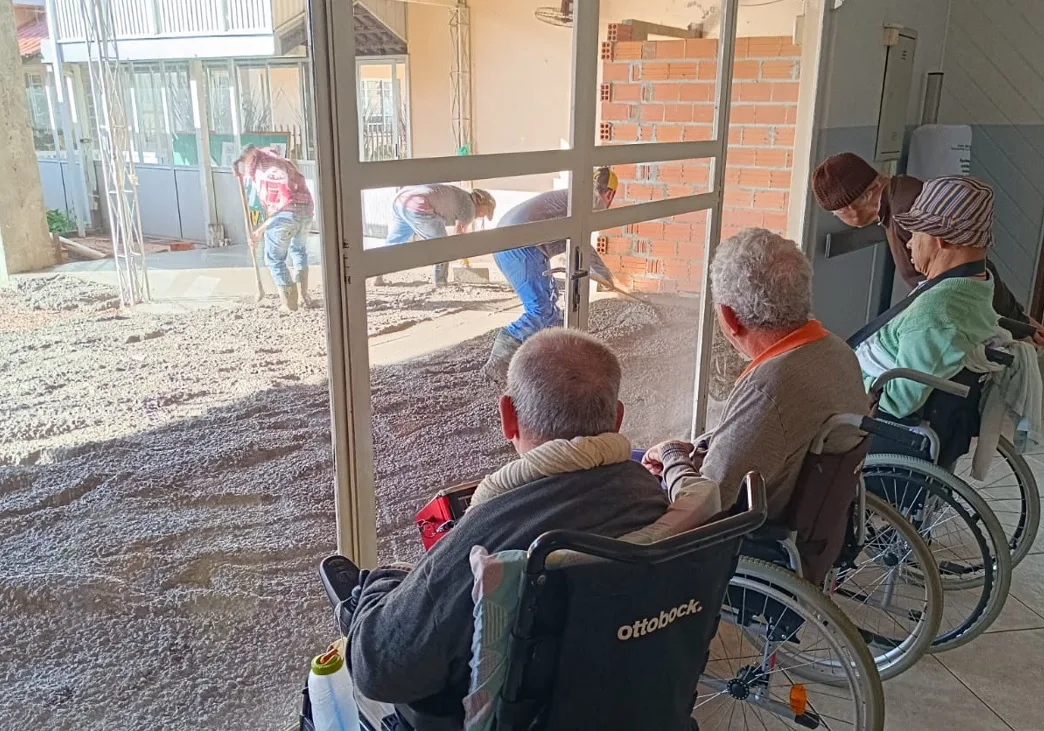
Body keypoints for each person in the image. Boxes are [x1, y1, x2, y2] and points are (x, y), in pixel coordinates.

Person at [338, 328, 716, 730]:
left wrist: (382, 582)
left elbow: (378, 667)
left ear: (508, 417)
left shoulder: (486, 537)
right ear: (617, 419)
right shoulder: (651, 497)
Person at [643, 228, 868, 520]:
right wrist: (700, 449)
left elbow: (704, 505)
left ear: (729, 317)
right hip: (815, 518)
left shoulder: (768, 389)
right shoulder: (836, 350)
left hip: (747, 534)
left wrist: (673, 454)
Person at [812, 152, 1042, 341]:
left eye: (838, 211)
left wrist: (1019, 324)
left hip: (968, 317)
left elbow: (971, 268)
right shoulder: (896, 197)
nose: (838, 217)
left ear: (866, 195)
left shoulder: (906, 207)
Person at [853, 176, 1002, 424]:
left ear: (941, 238)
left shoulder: (938, 314)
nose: (909, 243)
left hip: (855, 407)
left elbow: (897, 402)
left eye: (914, 233)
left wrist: (847, 383)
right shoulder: (977, 283)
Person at [480, 167, 620, 385]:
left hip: (513, 244)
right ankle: (497, 364)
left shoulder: (575, 196)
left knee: (552, 316)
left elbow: (570, 240)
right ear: (610, 193)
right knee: (541, 312)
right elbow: (582, 242)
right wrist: (604, 275)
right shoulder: (593, 201)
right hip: (521, 246)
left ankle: (545, 363)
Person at [234, 146, 315, 311]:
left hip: (285, 215)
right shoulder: (284, 164)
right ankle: (302, 295)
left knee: (274, 258)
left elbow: (281, 208)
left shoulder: (265, 172)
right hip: (306, 212)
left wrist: (259, 230)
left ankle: (289, 302)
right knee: (298, 250)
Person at [386, 184, 496, 286]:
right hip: (418, 205)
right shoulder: (470, 207)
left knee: (395, 241)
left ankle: (378, 274)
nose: (483, 215)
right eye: (486, 211)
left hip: (401, 200)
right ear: (479, 201)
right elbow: (459, 235)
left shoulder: (461, 194)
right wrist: (464, 258)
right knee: (442, 246)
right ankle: (440, 282)